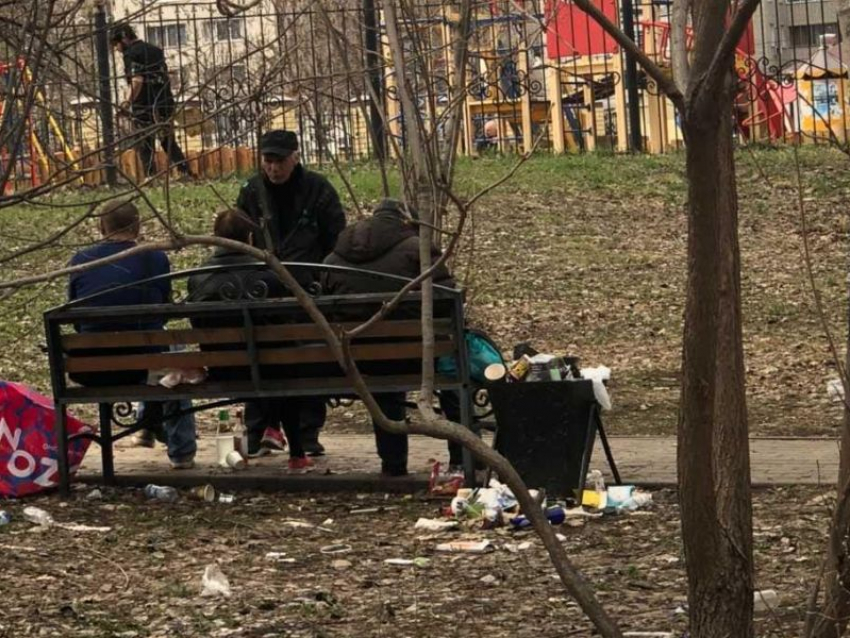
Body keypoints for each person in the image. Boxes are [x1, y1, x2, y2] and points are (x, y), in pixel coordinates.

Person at [323, 198, 459, 477]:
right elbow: (447, 300)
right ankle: (462, 458)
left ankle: (393, 464)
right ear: (405, 221)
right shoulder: (416, 251)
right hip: (417, 358)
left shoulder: (334, 258)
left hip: (357, 360)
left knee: (383, 377)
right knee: (454, 368)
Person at [235, 129, 346, 457]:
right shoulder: (252, 191)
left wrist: (319, 278)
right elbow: (241, 238)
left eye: (279, 160)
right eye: (267, 160)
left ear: (295, 157)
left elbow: (334, 239)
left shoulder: (318, 190)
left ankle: (306, 432)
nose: (273, 168)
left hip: (307, 290)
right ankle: (260, 429)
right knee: (263, 356)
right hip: (263, 292)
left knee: (307, 359)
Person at [67, 199, 197, 469]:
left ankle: (147, 424)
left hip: (92, 368)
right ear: (137, 227)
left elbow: (77, 322)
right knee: (173, 359)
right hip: (143, 368)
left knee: (155, 350)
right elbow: (162, 312)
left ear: (102, 226)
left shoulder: (80, 261)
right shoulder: (155, 257)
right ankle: (181, 453)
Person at [187, 209, 312, 470]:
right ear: (251, 238)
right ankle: (297, 453)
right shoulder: (269, 272)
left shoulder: (198, 277)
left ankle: (272, 430)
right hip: (272, 367)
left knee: (277, 364)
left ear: (215, 238)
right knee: (288, 365)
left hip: (223, 369)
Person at [110, 24, 190, 180]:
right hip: (164, 100)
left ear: (124, 38)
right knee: (167, 140)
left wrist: (127, 101)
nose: (116, 48)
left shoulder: (131, 54)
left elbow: (137, 80)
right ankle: (185, 170)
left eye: (116, 43)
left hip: (144, 104)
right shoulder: (155, 50)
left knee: (145, 142)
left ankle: (150, 176)